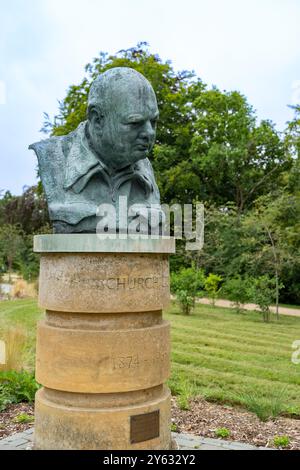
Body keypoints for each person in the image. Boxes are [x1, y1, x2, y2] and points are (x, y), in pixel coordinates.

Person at [29, 67, 163, 233]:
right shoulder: (53, 158)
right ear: (97, 119)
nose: (149, 133)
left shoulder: (146, 173)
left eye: (154, 122)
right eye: (135, 123)